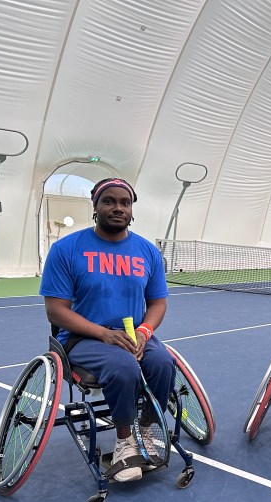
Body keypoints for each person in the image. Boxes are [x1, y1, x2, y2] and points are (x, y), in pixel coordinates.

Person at [39, 177, 175, 482]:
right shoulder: (66, 249)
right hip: (83, 337)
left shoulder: (147, 252)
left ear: (132, 209)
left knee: (164, 363)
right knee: (123, 366)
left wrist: (144, 332)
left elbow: (157, 304)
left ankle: (147, 430)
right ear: (95, 206)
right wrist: (103, 334)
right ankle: (125, 442)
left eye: (124, 203)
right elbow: (56, 310)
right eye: (109, 201)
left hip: (132, 334)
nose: (117, 208)